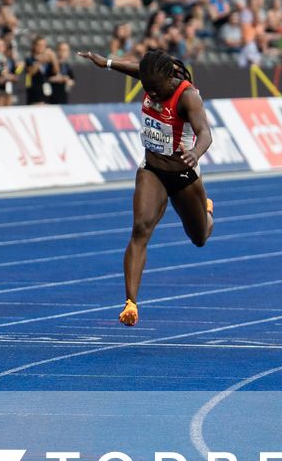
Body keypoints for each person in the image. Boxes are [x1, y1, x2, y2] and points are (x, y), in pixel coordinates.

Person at [76, 48, 215, 326]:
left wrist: (196, 153)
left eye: (155, 88)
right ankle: (131, 303)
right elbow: (135, 69)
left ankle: (207, 209)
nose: (151, 93)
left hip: (184, 174)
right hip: (151, 170)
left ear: (168, 77)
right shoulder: (151, 79)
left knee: (200, 236)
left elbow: (205, 133)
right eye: (146, 87)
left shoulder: (187, 97)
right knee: (140, 228)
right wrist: (107, 63)